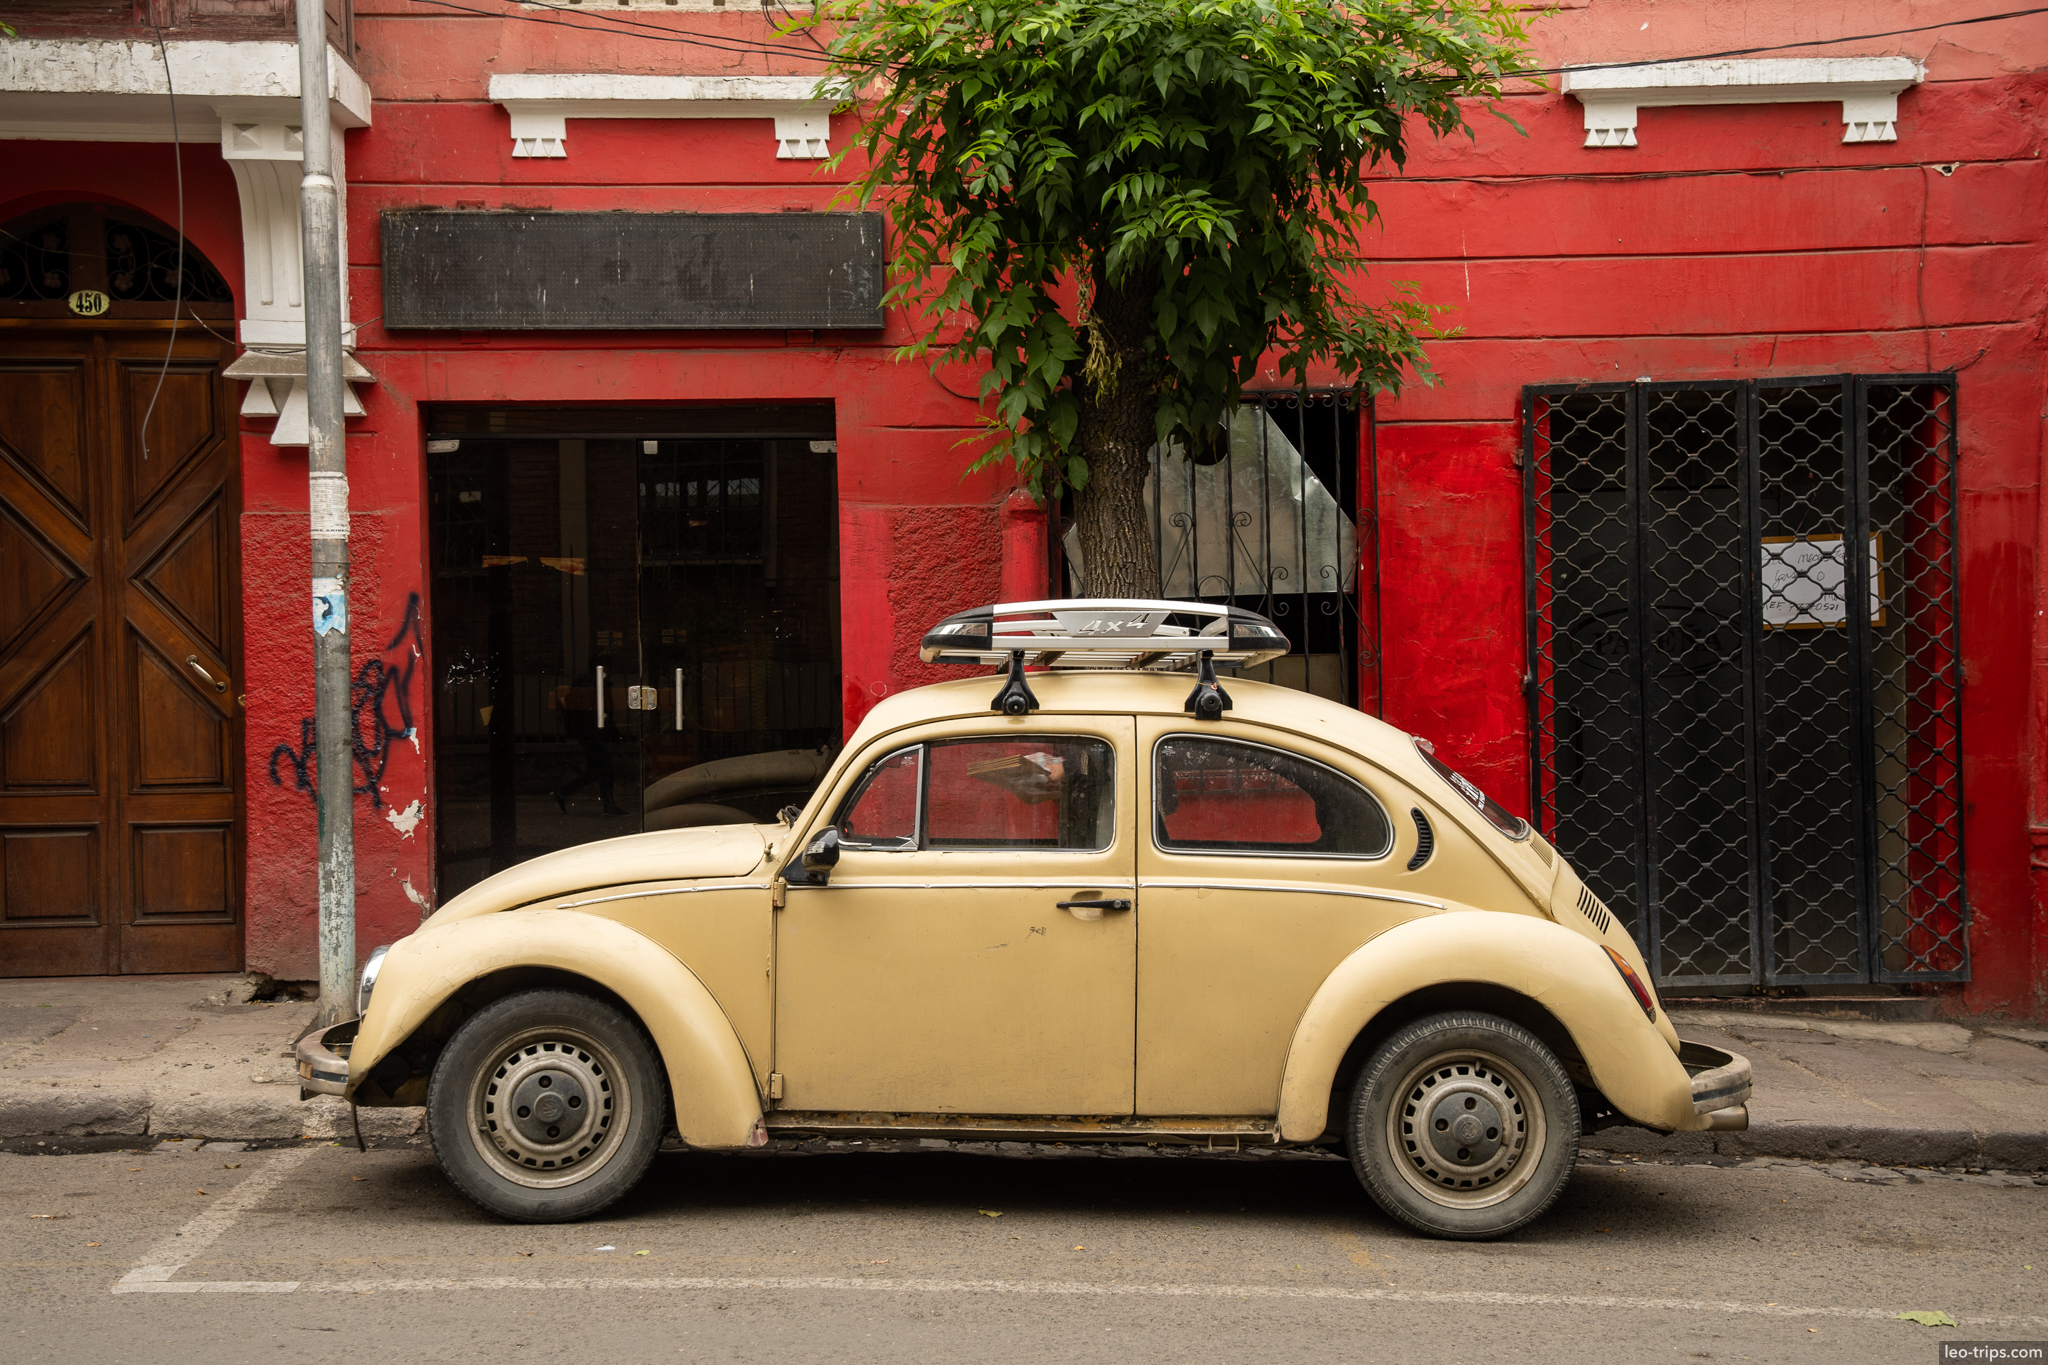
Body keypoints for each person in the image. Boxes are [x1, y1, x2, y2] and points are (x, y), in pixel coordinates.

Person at [551, 663, 626, 816]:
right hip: (592, 735)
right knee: (605, 769)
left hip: (590, 734)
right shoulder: (589, 688)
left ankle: (563, 793)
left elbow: (604, 713)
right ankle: (608, 805)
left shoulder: (591, 687)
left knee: (595, 771)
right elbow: (594, 715)